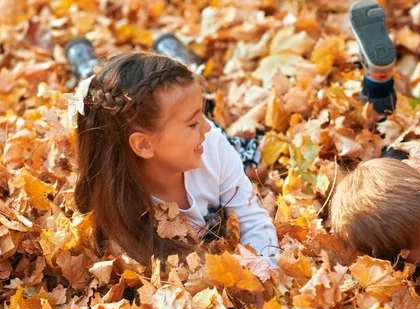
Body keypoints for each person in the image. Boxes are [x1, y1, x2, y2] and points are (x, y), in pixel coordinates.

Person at [67, 51, 279, 266]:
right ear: (144, 144)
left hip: (208, 147)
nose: (205, 127)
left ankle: (174, 51)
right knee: (105, 109)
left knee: (248, 155)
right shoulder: (117, 196)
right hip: (123, 117)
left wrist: (262, 274)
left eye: (201, 117)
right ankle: (88, 66)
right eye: (193, 123)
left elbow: (253, 221)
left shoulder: (212, 145)